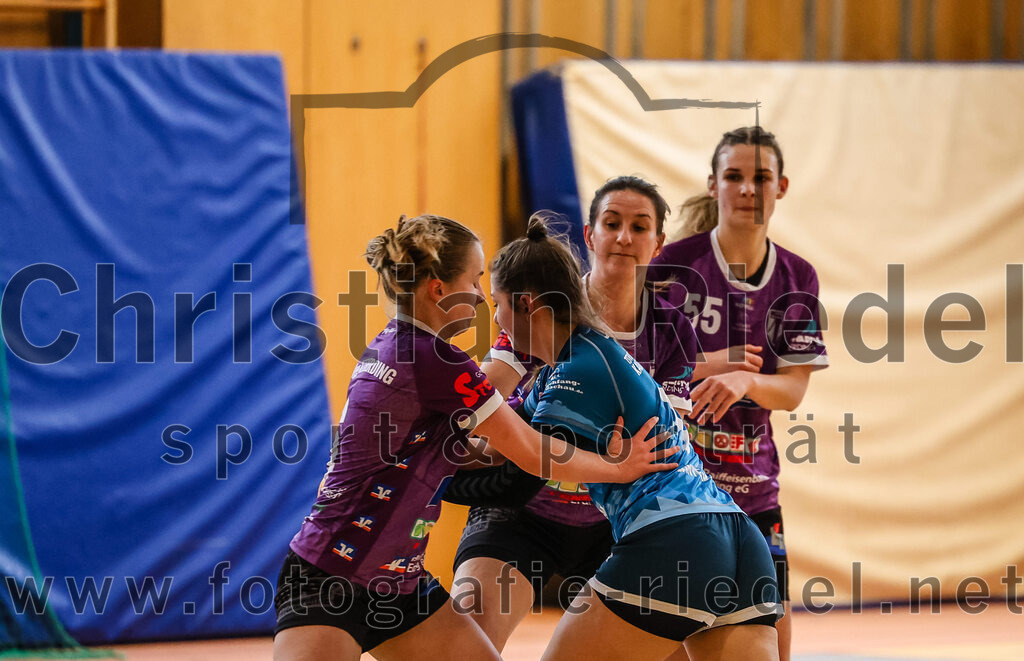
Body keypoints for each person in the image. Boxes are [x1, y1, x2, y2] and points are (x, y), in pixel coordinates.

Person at [272, 214, 678, 661]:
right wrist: (618, 467)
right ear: (438, 290)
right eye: (475, 278)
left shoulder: (391, 345)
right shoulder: (439, 361)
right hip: (334, 577)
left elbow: (463, 454)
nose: (482, 297)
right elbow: (528, 452)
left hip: (400, 584)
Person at [489, 217, 782, 661]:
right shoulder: (583, 361)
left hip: (675, 539)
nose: (495, 316)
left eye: (497, 303)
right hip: (739, 537)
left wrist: (428, 460)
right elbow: (508, 438)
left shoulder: (575, 370)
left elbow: (522, 470)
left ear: (526, 304)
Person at [449, 176, 698, 652]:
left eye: (639, 226)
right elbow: (477, 403)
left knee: (675, 645)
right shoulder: (541, 311)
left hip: (614, 519)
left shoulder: (670, 327)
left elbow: (664, 442)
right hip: (524, 511)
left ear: (658, 243)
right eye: (612, 223)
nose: (624, 237)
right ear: (589, 235)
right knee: (468, 631)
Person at [649, 126, 829, 661]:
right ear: (713, 184)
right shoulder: (670, 269)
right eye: (734, 176)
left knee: (773, 645)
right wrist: (712, 366)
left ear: (782, 186)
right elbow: (646, 372)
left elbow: (793, 390)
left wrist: (747, 380)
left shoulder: (798, 277)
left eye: (760, 177)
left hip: (753, 488)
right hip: (676, 486)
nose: (747, 189)